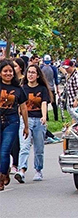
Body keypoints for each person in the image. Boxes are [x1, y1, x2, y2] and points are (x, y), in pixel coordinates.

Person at [14, 64, 52, 183]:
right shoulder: (22, 88)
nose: (30, 75)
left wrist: (44, 117)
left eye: (33, 72)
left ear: (38, 75)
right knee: (24, 146)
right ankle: (22, 170)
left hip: (38, 121)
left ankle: (38, 170)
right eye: (29, 72)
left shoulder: (42, 89)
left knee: (39, 148)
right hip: (26, 120)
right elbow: (20, 105)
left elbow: (44, 103)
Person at [0, 59, 28, 191]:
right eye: (5, 71)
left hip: (12, 121)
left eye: (10, 71)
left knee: (5, 150)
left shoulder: (18, 89)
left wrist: (26, 127)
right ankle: (4, 172)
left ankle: (1, 177)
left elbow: (23, 108)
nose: (8, 73)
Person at [9, 58, 26, 174]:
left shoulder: (23, 82)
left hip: (18, 115)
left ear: (20, 67)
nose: (13, 69)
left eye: (15, 66)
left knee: (16, 141)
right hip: (8, 114)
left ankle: (16, 163)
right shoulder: (9, 81)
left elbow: (23, 102)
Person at [41, 54, 59, 121]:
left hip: (45, 88)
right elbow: (56, 79)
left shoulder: (41, 68)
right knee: (54, 104)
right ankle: (56, 118)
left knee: (45, 103)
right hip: (51, 88)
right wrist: (57, 89)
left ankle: (47, 118)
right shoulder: (53, 68)